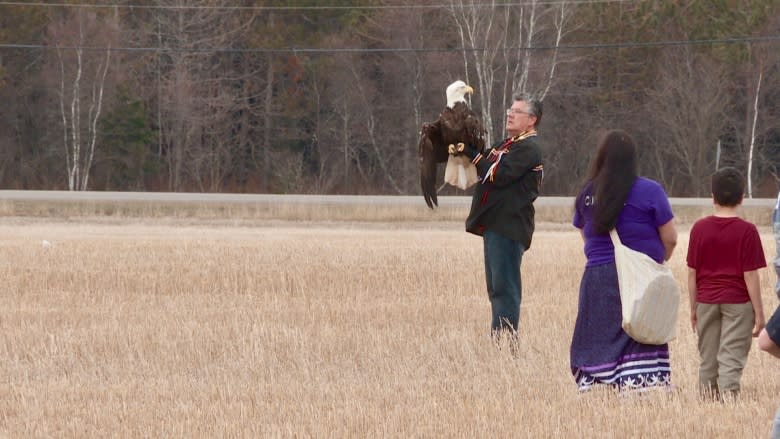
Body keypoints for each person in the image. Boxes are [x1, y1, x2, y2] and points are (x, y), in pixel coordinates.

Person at [569, 129, 678, 392]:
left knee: (600, 332)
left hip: (597, 276)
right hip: (639, 274)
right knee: (639, 325)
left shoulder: (587, 194)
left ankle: (598, 383)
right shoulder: (650, 190)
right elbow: (671, 238)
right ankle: (638, 383)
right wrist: (657, 262)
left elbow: (586, 235)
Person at [450, 94, 543, 337]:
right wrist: (460, 143)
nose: (509, 114)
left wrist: (473, 153)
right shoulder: (507, 144)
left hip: (509, 228)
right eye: (509, 109)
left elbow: (495, 173)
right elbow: (482, 158)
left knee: (505, 289)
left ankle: (505, 344)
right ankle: (500, 341)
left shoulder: (529, 148)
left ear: (532, 119)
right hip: (496, 227)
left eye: (517, 111)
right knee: (496, 288)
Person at [686, 167, 766, 400]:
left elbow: (692, 273)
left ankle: (707, 406)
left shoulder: (699, 229)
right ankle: (729, 401)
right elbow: (750, 275)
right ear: (742, 198)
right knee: (731, 357)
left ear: (713, 197)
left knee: (708, 360)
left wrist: (693, 308)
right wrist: (759, 314)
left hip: (706, 300)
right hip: (738, 302)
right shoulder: (748, 231)